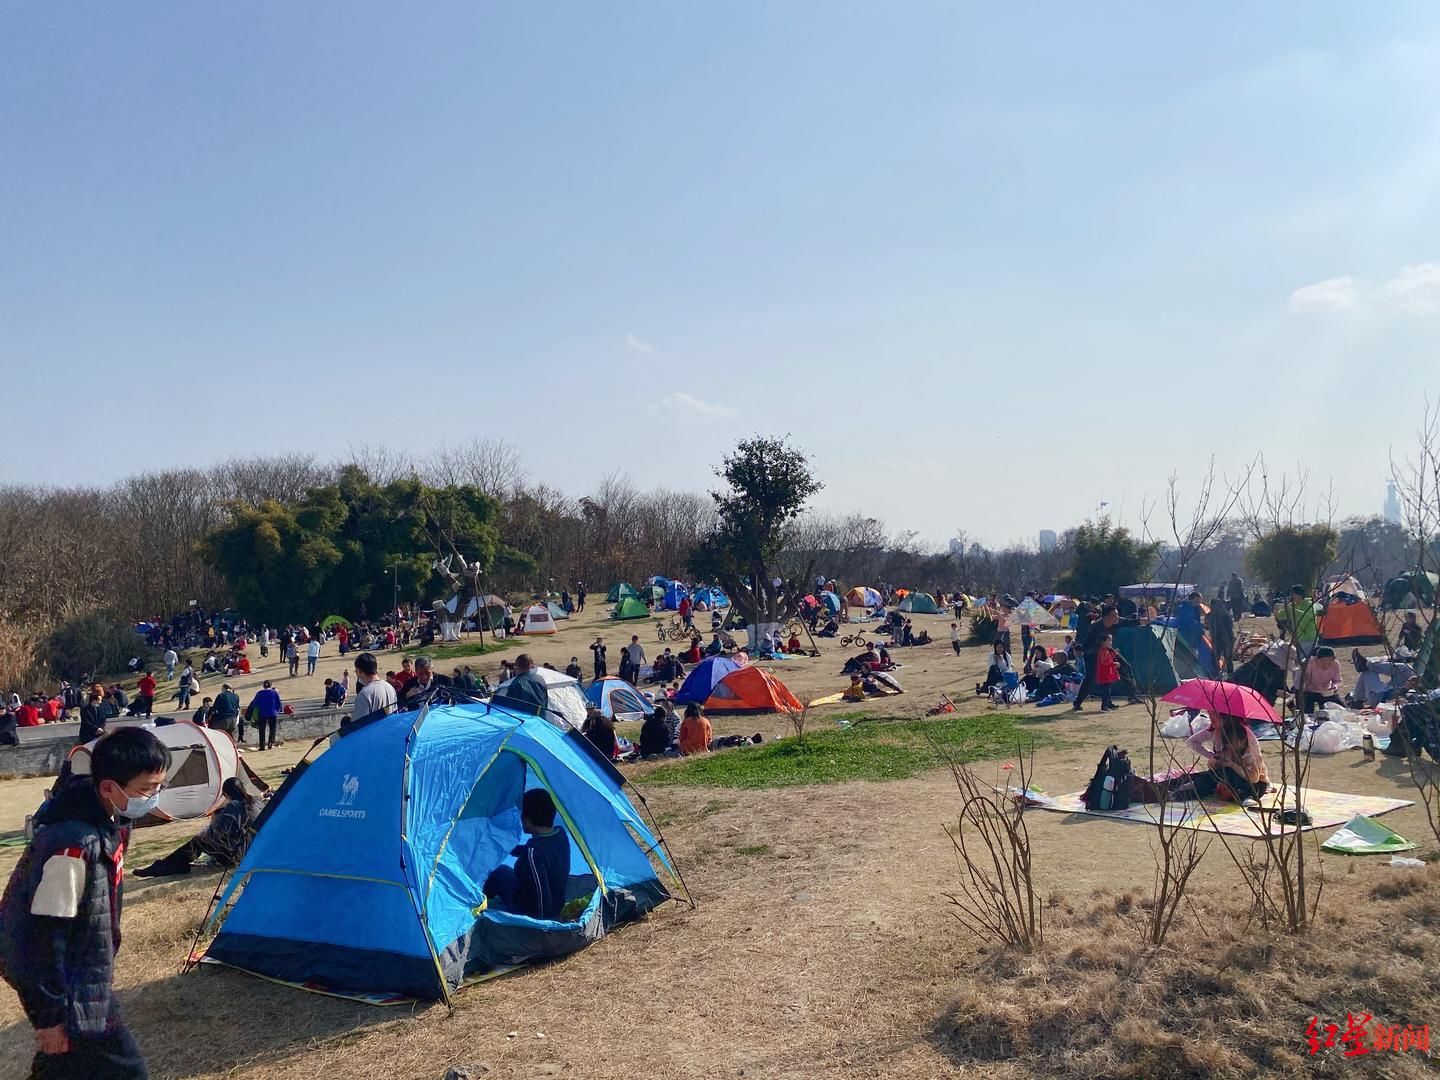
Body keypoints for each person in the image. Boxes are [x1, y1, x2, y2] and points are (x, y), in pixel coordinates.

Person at [0, 727, 170, 1079]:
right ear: (108, 787)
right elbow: (38, 938)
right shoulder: (71, 846)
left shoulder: (112, 821)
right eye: (145, 790)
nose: (153, 797)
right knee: (128, 1070)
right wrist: (48, 1017)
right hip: (72, 995)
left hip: (87, 981)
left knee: (62, 1069)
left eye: (159, 787)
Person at [133, 778, 258, 878]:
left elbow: (217, 834)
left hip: (238, 856)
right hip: (256, 853)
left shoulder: (233, 806)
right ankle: (169, 865)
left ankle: (165, 866)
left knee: (199, 841)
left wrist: (209, 830)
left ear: (226, 795)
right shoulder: (257, 802)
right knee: (202, 840)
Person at [482, 789, 570, 921]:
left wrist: (542, 923)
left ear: (528, 819)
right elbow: (544, 852)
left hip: (530, 910)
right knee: (501, 871)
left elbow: (541, 894)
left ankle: (481, 906)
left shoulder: (533, 853)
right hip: (558, 901)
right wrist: (510, 848)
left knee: (496, 874)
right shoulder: (560, 834)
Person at [1178, 712, 1269, 804]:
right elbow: (1192, 741)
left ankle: (1182, 794)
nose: (1211, 718)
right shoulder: (1216, 730)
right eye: (1209, 714)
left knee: (1218, 775)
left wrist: (1231, 765)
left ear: (1225, 717)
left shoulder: (1243, 736)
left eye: (1214, 715)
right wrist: (1213, 757)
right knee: (1205, 776)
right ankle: (1170, 787)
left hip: (1252, 784)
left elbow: (1254, 777)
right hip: (1227, 776)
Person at [1072, 605, 1140, 712]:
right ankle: (1078, 702)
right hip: (1092, 654)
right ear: (1105, 617)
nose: (1117, 617)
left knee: (1125, 666)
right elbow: (1086, 645)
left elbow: (1128, 622)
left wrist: (1142, 621)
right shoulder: (1095, 627)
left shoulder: (1115, 622)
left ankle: (1132, 696)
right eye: (1114, 615)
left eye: (1117, 615)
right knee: (1091, 678)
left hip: (1107, 650)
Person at [1347, 651, 1414, 709]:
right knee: (1407, 669)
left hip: (1383, 698)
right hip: (1393, 689)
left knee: (1368, 672)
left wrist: (1406, 688)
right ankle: (1367, 664)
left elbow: (1401, 698)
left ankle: (1357, 700)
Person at [351, 652, 398, 722]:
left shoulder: (365, 694)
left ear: (359, 671)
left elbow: (358, 724)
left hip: (373, 732)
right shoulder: (390, 687)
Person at [1299, 646, 1343, 715]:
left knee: (1342, 709)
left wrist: (1335, 686)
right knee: (1308, 712)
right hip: (1310, 692)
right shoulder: (1309, 663)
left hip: (1327, 692)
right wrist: (1307, 686)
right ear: (1317, 659)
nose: (1327, 665)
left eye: (1330, 662)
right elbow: (1302, 682)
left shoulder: (1336, 664)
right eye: (1323, 662)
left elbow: (1337, 680)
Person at [1278, 585, 1319, 657]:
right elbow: (1280, 615)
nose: (1291, 597)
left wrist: (1291, 610)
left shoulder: (1309, 604)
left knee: (1304, 659)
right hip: (1298, 638)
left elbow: (1308, 616)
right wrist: (1277, 609)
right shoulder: (1292, 605)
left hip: (1309, 638)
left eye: (1293, 595)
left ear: (1299, 595)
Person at [249, 681, 282, 751]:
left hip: (262, 713)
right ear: (271, 685)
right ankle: (271, 742)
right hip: (272, 713)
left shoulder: (259, 693)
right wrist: (277, 711)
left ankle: (262, 746)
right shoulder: (274, 693)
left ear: (263, 686)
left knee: (262, 730)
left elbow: (255, 703)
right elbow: (278, 703)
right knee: (272, 728)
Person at [1206, 596, 1236, 676]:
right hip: (1222, 638)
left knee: (1220, 657)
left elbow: (1227, 628)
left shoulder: (1218, 615)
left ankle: (1220, 673)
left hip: (1221, 638)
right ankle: (1227, 674)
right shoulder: (1222, 614)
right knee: (1225, 658)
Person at [1094, 634, 1122, 711]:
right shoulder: (1103, 651)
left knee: (1108, 690)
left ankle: (1109, 704)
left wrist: (1114, 653)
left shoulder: (1106, 651)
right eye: (1108, 641)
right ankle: (1104, 706)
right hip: (1104, 675)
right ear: (1102, 642)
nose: (1110, 642)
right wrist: (1114, 664)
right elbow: (1104, 662)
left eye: (1111, 641)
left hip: (1106, 675)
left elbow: (1109, 659)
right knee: (1106, 691)